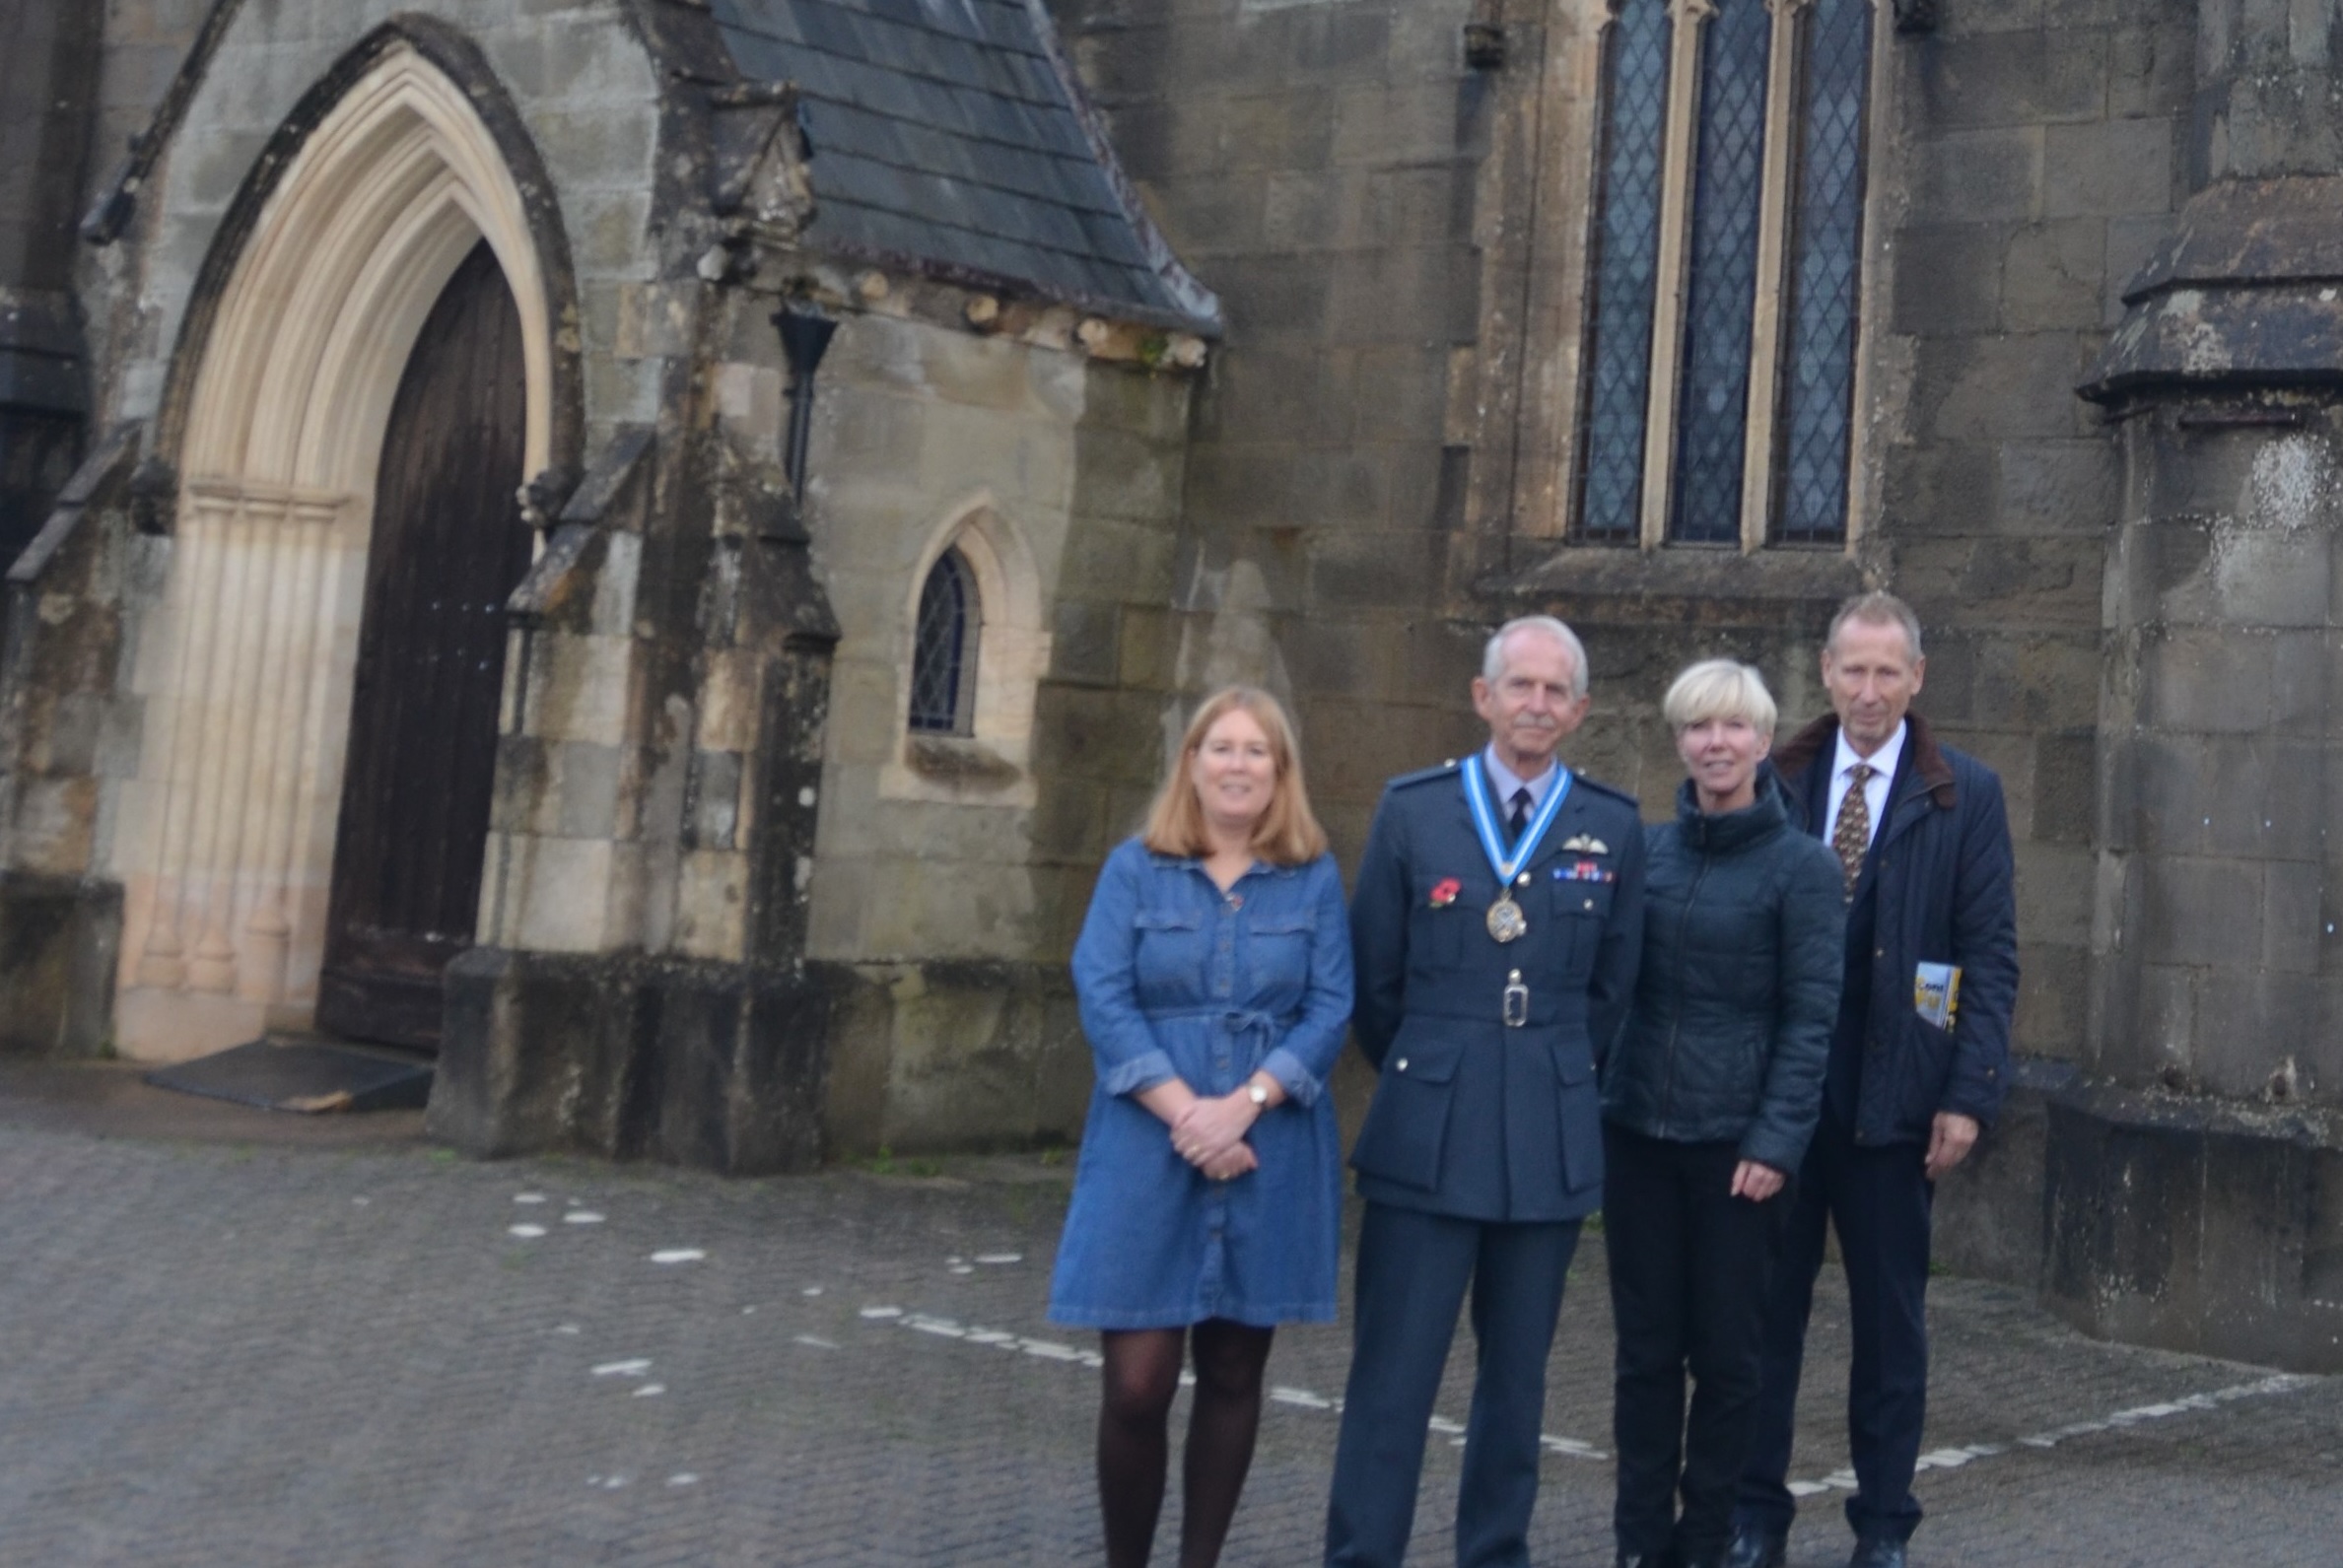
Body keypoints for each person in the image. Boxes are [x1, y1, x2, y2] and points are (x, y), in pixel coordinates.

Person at [1326, 615, 1647, 1568]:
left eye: (1556, 692)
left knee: (1516, 1385)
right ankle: (1361, 1554)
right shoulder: (1411, 809)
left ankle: (1493, 1552)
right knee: (1392, 1377)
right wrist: (1442, 1063)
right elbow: (1372, 979)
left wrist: (1537, 1069)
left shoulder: (1613, 824)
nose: (1536, 705)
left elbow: (1612, 992)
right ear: (1483, 695)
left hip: (1544, 1139)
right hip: (1427, 1128)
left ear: (1579, 709)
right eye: (1520, 686)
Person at [1726, 593, 2018, 1568]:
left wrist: (1969, 1092)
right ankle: (1752, 1517)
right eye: (1852, 669)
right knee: (1764, 1322)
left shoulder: (1962, 794)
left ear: (1917, 679)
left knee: (1890, 1334)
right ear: (1824, 670)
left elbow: (1988, 953)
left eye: (1887, 671)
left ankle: (1884, 1527)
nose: (1868, 690)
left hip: (1897, 1108)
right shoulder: (1777, 782)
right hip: (1783, 1108)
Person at [1049, 685, 1353, 1568]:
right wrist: (1188, 1114)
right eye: (1220, 747)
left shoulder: (1314, 875)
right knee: (1137, 1388)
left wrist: (1246, 1103)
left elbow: (1331, 1004)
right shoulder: (1134, 868)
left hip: (1268, 1149)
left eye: (1257, 751)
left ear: (1279, 773)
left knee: (1231, 1374)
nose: (1237, 764)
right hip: (1148, 1147)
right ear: (1191, 762)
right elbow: (1102, 992)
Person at [1602, 660, 1845, 1568]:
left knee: (1729, 1361)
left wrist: (1776, 1140)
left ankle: (1706, 1539)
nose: (1716, 743)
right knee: (1644, 1356)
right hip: (1637, 1140)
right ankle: (1637, 1541)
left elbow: (1809, 1015)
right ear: (1678, 740)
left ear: (1760, 741)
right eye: (1698, 727)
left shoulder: (1803, 867)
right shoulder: (1644, 853)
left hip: (1739, 1156)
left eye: (1734, 728)